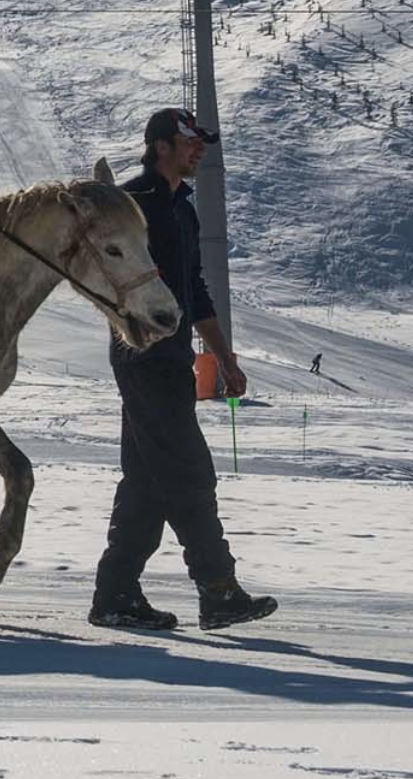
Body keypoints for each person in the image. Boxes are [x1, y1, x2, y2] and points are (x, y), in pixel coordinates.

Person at [90, 108, 277, 632]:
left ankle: (115, 595)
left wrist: (223, 356)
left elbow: (195, 291)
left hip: (173, 361)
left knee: (148, 482)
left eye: (200, 145)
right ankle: (218, 591)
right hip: (141, 357)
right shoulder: (131, 205)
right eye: (189, 143)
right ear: (159, 146)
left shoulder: (182, 210)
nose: (198, 152)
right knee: (190, 472)